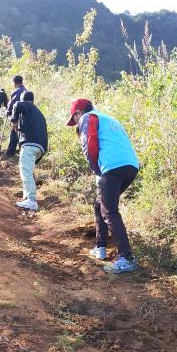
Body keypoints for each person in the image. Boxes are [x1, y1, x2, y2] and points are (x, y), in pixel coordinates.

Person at [67, 98, 140, 274]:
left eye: (73, 118)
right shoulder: (109, 119)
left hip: (112, 167)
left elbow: (90, 144)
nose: (75, 123)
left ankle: (126, 258)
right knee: (100, 204)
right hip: (131, 166)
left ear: (78, 113)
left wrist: (97, 170)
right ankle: (101, 247)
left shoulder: (87, 118)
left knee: (109, 211)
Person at [11, 91, 48, 211]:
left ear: (25, 100)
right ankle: (26, 196)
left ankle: (31, 201)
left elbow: (16, 104)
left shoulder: (27, 105)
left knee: (25, 170)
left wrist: (14, 120)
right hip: (41, 147)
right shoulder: (39, 113)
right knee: (28, 169)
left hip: (30, 145)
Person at [3, 75, 26, 159]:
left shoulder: (17, 91)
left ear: (14, 82)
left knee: (14, 133)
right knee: (21, 134)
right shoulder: (26, 90)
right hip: (25, 116)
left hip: (17, 116)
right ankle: (19, 151)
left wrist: (8, 112)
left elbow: (12, 104)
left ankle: (10, 152)